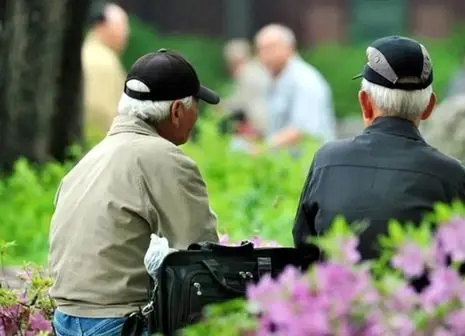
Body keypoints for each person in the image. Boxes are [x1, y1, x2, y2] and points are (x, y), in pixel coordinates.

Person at [49, 49, 220, 336]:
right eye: (196, 106)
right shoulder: (164, 158)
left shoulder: (90, 159)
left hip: (65, 320)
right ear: (177, 111)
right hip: (117, 323)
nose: (197, 116)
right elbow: (201, 256)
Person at [292, 36, 465, 260]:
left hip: (340, 294)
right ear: (429, 107)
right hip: (416, 296)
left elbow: (304, 249)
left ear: (365, 103)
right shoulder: (452, 175)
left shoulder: (327, 161)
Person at [253, 24, 336, 155]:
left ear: (289, 47)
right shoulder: (278, 79)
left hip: (308, 167)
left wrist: (261, 150)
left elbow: (301, 130)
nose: (264, 55)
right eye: (260, 50)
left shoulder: (304, 80)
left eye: (269, 48)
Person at [82, 3, 129, 140]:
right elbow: (101, 112)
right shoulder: (102, 61)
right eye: (122, 27)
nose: (126, 35)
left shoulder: (88, 52)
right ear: (102, 25)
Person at [219, 39, 270, 140]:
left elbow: (240, 102)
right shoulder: (258, 68)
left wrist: (222, 105)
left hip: (258, 124)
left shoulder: (245, 72)